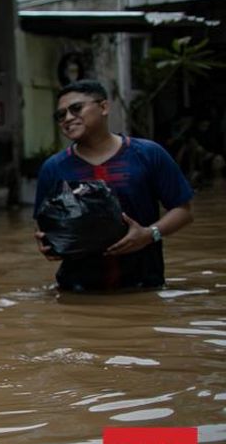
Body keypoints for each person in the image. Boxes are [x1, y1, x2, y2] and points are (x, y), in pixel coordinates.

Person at [33, 80, 194, 291]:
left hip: (143, 287)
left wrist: (149, 234)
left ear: (104, 107)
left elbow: (184, 211)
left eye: (76, 108)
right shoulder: (53, 168)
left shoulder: (148, 154)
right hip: (77, 292)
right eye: (61, 115)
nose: (68, 118)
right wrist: (49, 244)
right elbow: (43, 224)